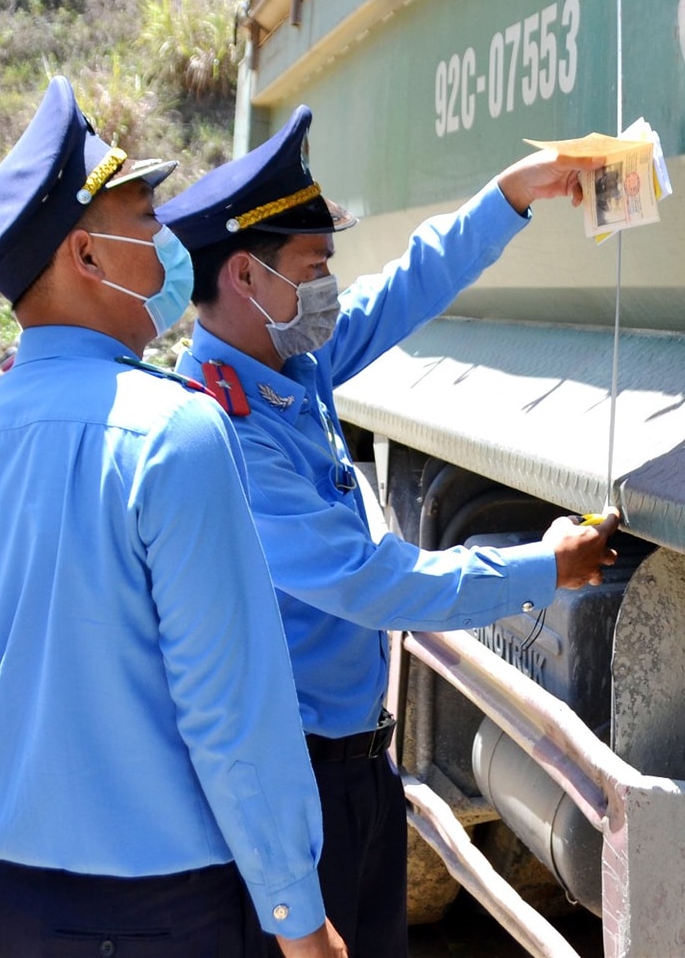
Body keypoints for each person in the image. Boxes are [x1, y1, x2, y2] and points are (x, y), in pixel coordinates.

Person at [157, 106, 619, 956]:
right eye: (314, 267)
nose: (332, 287)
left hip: (360, 769)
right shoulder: (224, 434)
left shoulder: (288, 366)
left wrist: (509, 196)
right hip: (297, 787)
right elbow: (375, 583)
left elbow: (406, 288)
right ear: (248, 281)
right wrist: (542, 569)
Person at [0, 78, 346, 958]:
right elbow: (231, 711)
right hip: (152, 917)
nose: (166, 245)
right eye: (145, 222)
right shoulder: (172, 435)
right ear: (88, 258)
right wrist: (297, 914)